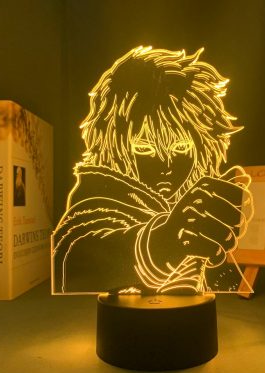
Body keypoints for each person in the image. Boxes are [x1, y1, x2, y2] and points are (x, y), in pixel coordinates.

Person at [52, 46, 253, 294]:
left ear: (203, 147)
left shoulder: (187, 199)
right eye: (145, 149)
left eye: (181, 147)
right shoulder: (94, 203)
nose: (166, 166)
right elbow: (83, 250)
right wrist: (164, 241)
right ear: (113, 146)